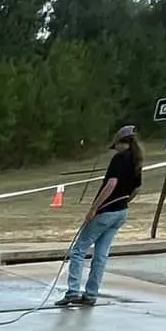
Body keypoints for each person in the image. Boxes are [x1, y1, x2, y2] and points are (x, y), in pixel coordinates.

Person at [59, 126, 145, 307]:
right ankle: (91, 294)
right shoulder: (137, 160)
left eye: (117, 145)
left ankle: (73, 291)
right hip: (121, 212)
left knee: (78, 249)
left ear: (122, 143)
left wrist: (94, 207)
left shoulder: (119, 158)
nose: (116, 149)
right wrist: (125, 201)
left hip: (106, 211)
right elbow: (137, 188)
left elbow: (111, 184)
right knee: (101, 254)